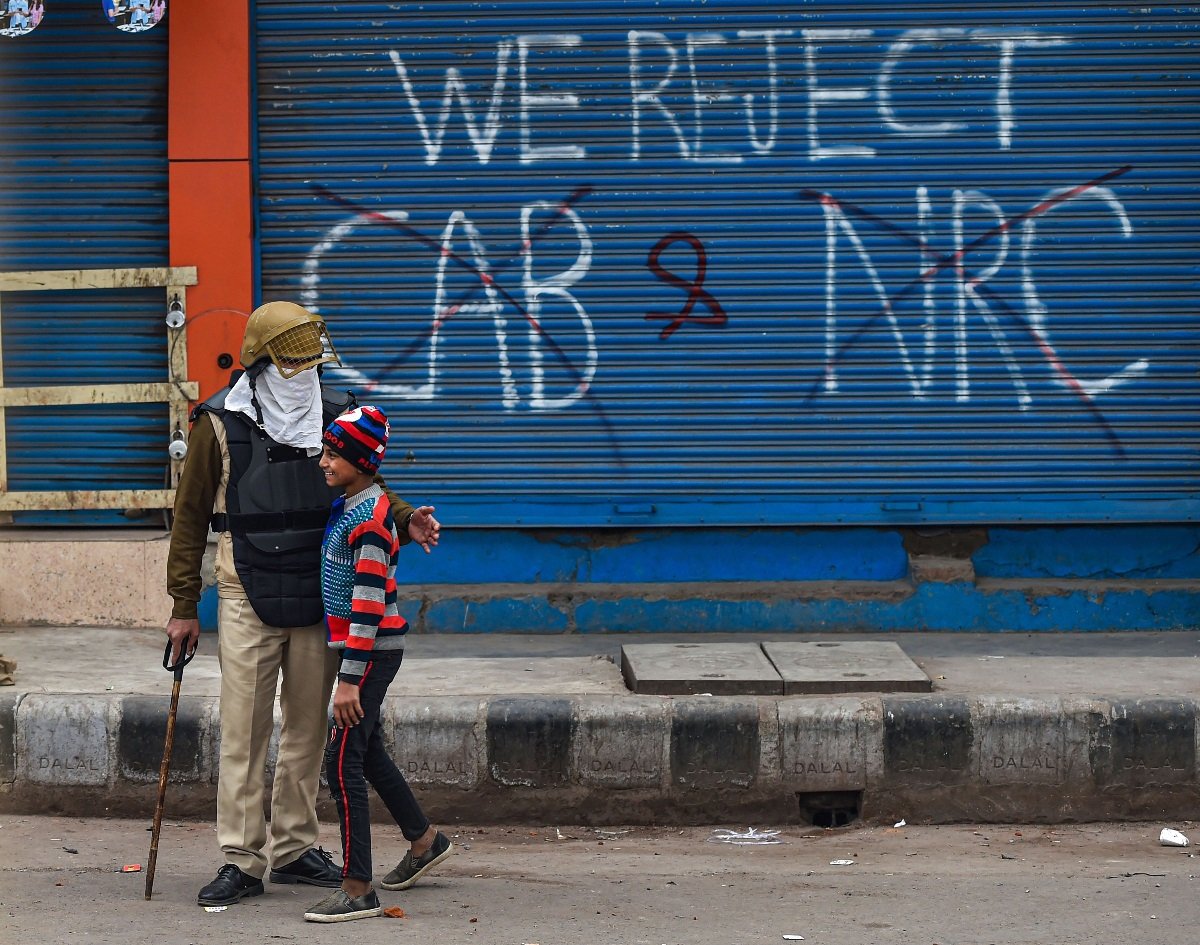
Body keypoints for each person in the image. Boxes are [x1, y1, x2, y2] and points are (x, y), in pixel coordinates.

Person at [165, 301, 440, 908]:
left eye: (310, 361)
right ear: (262, 359)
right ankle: (241, 856)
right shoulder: (218, 422)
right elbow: (188, 522)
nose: (303, 372)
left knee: (310, 728)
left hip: (320, 588)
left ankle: (293, 846)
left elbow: (367, 481)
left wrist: (404, 516)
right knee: (245, 727)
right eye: (291, 361)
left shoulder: (334, 413)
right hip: (246, 585)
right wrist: (185, 603)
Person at [303, 406, 453, 923]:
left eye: (333, 455)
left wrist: (348, 681)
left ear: (362, 464)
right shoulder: (355, 506)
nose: (323, 462)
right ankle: (425, 840)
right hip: (367, 654)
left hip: (367, 656)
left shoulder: (369, 522)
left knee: (341, 764)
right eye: (324, 451)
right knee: (366, 755)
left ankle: (356, 887)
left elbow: (366, 608)